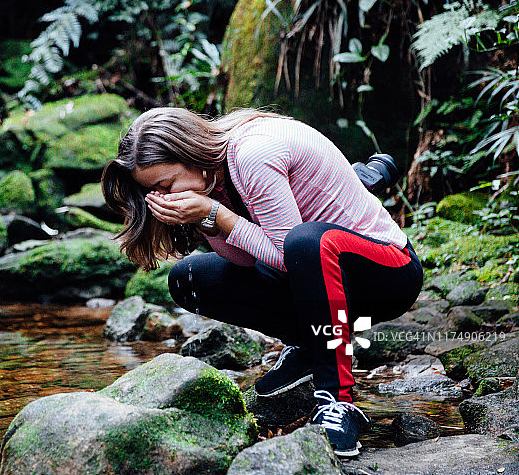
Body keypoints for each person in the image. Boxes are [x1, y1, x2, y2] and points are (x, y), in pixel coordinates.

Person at [101, 107, 423, 457]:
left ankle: (338, 401)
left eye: (165, 186)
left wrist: (216, 214)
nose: (163, 198)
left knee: (304, 243)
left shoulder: (253, 154)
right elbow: (245, 258)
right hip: (315, 277)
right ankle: (308, 345)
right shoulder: (212, 174)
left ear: (190, 152)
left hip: (388, 272)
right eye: (154, 192)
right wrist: (207, 220)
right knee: (187, 279)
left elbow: (287, 257)